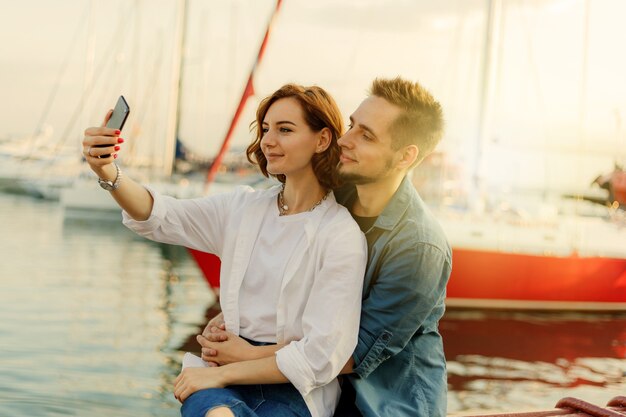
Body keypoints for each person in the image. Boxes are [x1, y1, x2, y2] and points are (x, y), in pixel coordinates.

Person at [81, 84, 367, 417]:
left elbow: (320, 356)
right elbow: (160, 215)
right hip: (223, 377)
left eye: (285, 130)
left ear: (322, 139)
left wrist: (223, 371)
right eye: (264, 130)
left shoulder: (340, 234)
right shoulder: (242, 208)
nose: (268, 141)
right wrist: (108, 171)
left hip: (293, 389)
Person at [199, 77, 451, 417]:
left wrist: (242, 354)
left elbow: (350, 354)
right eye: (352, 125)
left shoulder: (419, 248)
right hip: (317, 393)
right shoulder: (335, 199)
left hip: (385, 404)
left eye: (366, 135)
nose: (344, 140)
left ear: (405, 156)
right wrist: (233, 318)